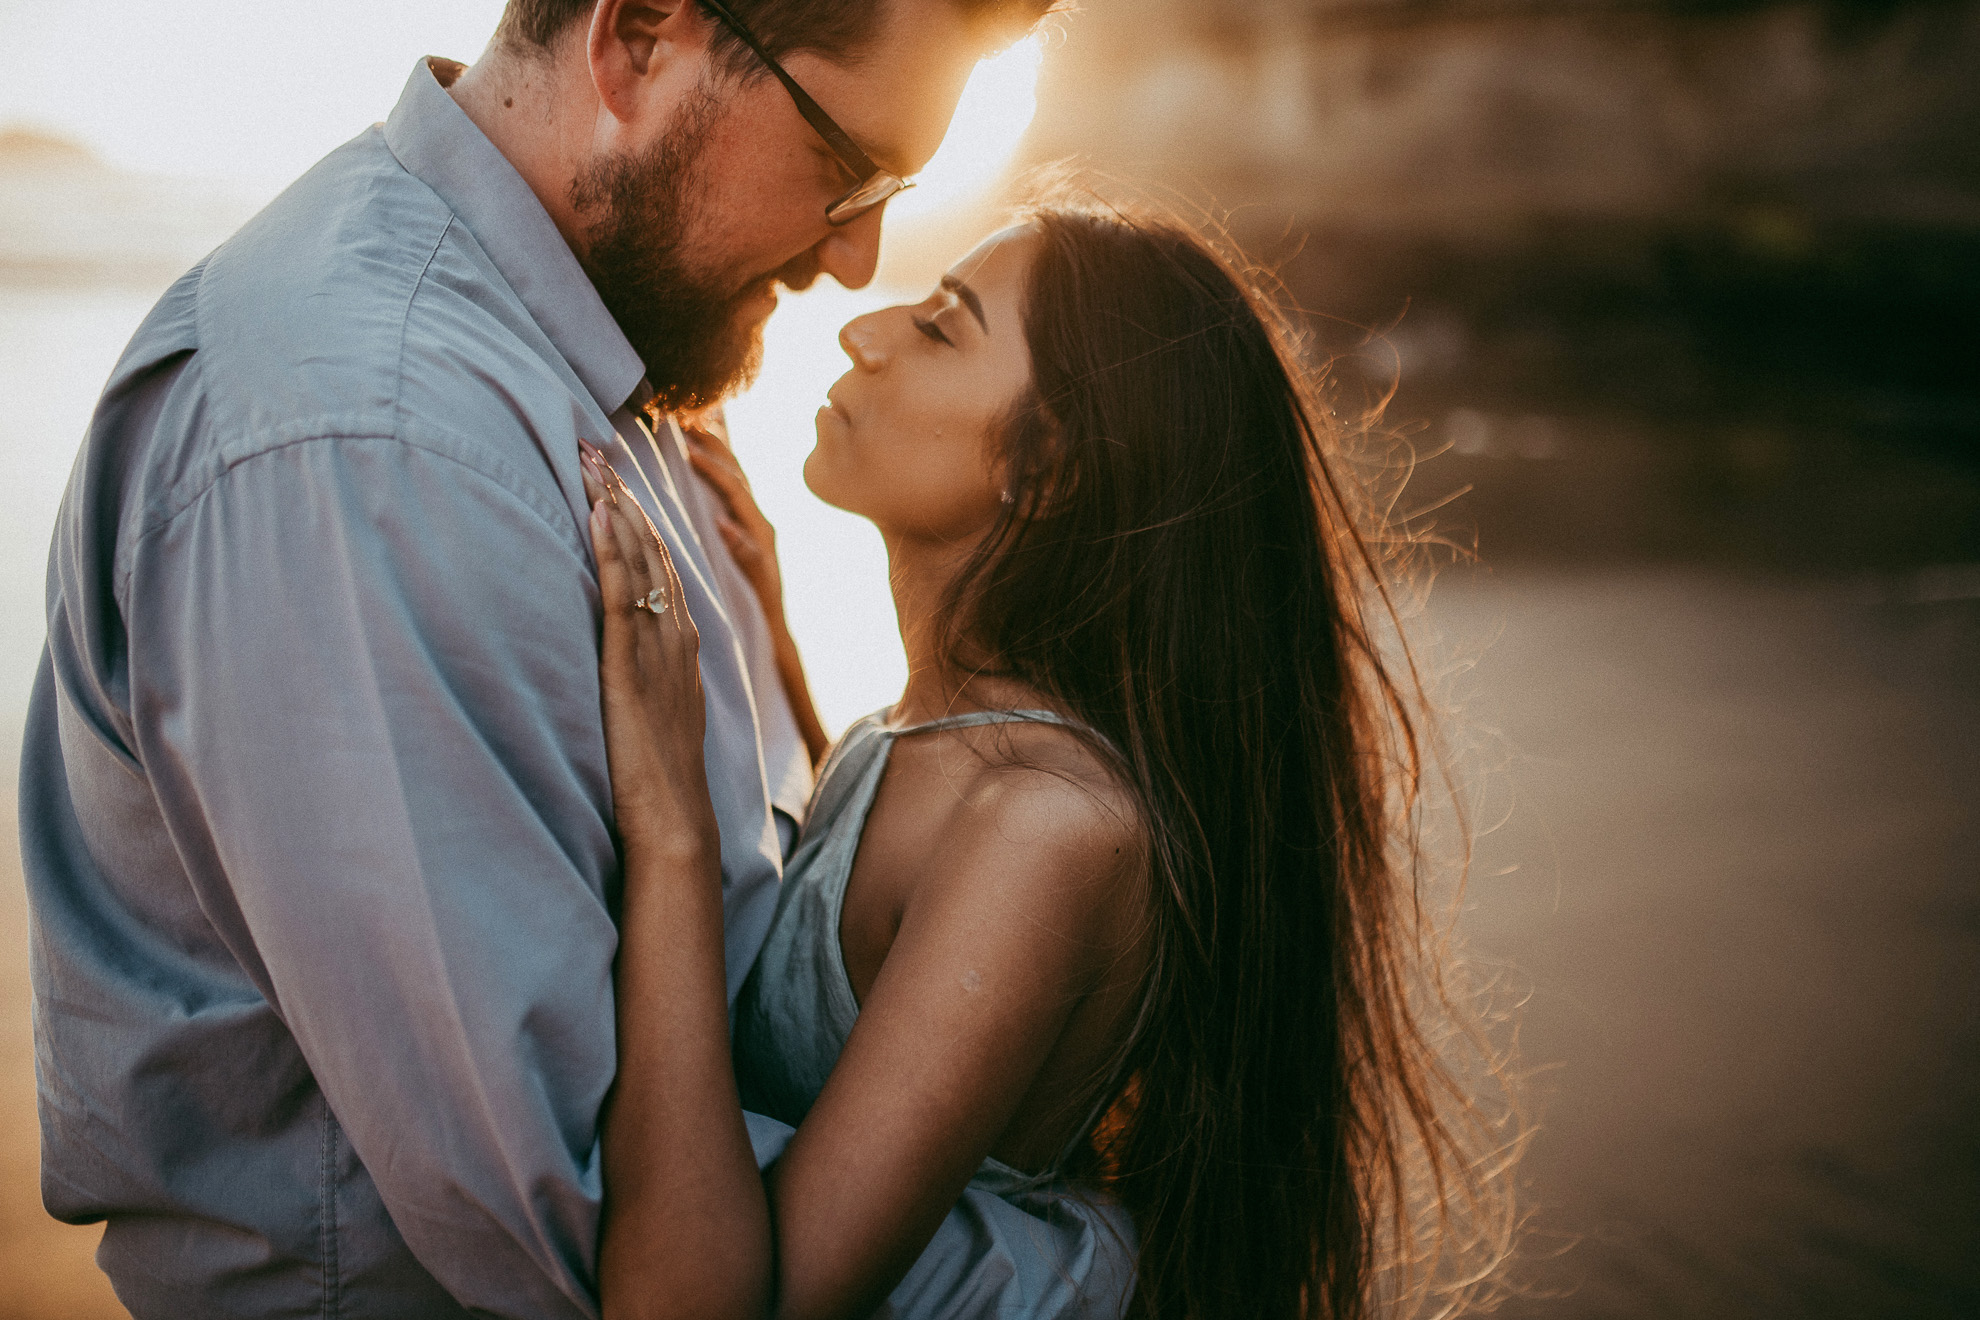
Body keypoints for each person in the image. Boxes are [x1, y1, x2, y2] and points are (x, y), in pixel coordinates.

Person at [18, 1, 1049, 1316]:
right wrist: (1091, 1269)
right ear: (636, 42)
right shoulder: (379, 443)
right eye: (852, 171)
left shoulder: (588, 357)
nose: (858, 262)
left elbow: (745, 917)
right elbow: (590, 1244)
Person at [578, 206, 1504, 1320]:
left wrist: (671, 825)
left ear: (1048, 465)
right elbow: (872, 932)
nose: (861, 331)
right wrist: (766, 641)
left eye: (939, 328)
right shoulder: (930, 733)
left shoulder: (1046, 829)